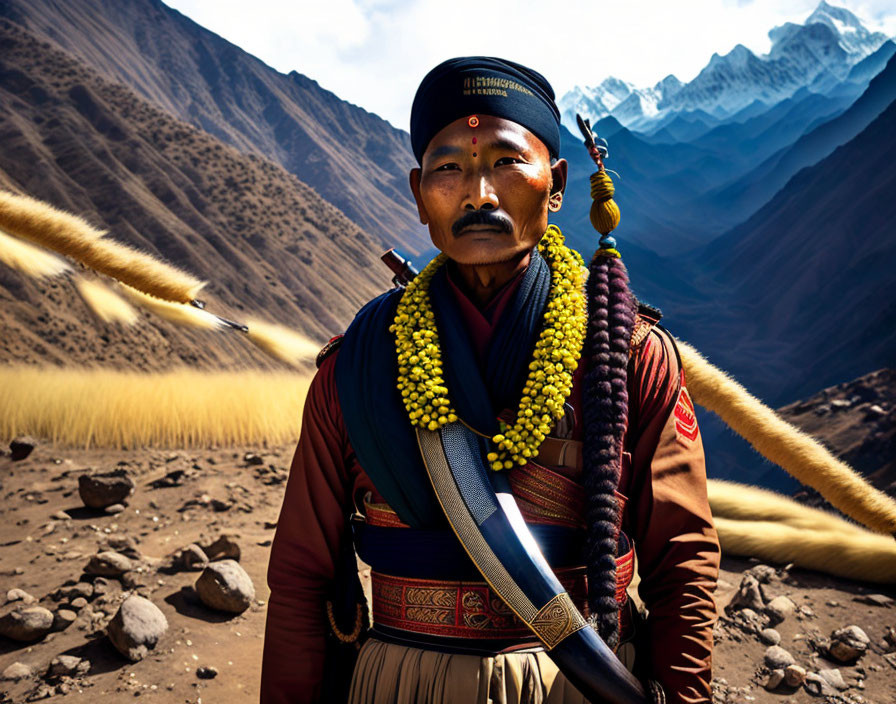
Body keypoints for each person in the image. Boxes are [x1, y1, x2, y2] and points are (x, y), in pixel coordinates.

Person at [261, 57, 720, 704]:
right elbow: (303, 578)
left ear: (556, 184)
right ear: (420, 194)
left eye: (507, 163)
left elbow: (683, 564)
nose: (479, 193)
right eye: (449, 169)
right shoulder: (357, 367)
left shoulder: (626, 355)